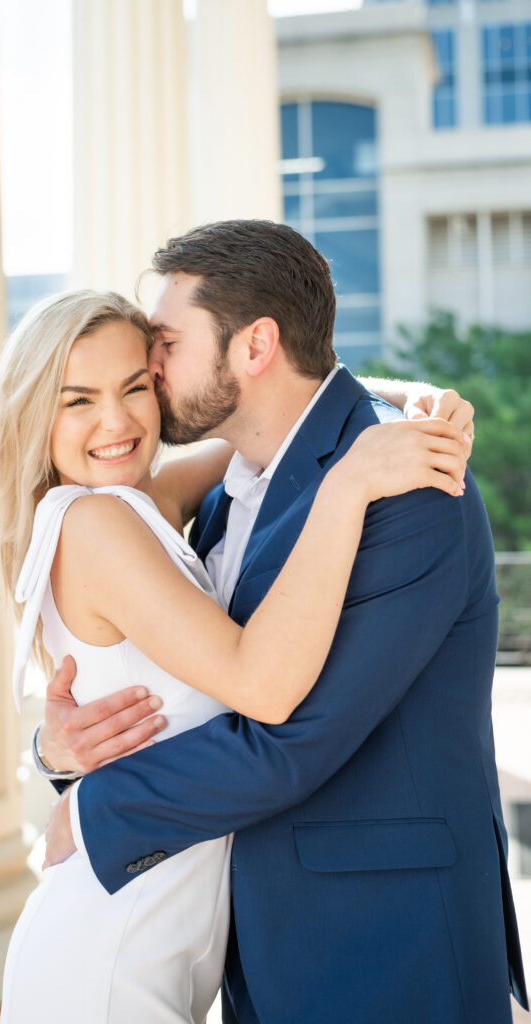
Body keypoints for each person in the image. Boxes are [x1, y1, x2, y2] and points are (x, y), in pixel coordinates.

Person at [38, 221, 528, 1024]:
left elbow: (291, 734)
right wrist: (58, 751)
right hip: (256, 940)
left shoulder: (404, 482)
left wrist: (94, 809)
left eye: (165, 342)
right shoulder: (223, 487)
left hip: (386, 940)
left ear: (255, 345)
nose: (149, 369)